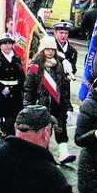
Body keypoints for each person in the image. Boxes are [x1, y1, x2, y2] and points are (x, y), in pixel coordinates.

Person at [24, 36, 76, 164]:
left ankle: (63, 153)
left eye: (52, 49)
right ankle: (41, 154)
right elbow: (29, 88)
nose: (50, 52)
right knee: (42, 131)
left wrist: (68, 108)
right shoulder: (35, 68)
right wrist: (27, 106)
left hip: (58, 104)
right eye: (47, 49)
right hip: (41, 104)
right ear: (43, 50)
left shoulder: (60, 66)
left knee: (61, 128)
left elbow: (64, 90)